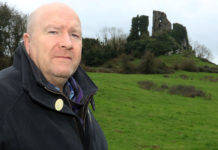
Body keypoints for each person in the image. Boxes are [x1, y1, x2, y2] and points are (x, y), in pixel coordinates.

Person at [0, 2, 107, 150]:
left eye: (75, 35)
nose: (67, 43)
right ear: (28, 42)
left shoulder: (81, 102)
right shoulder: (3, 99)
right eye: (53, 32)